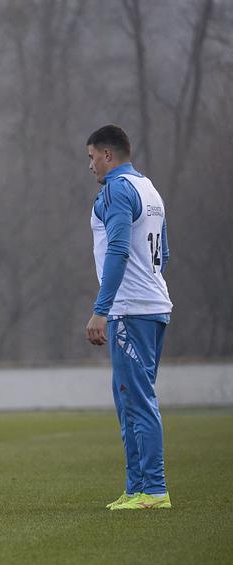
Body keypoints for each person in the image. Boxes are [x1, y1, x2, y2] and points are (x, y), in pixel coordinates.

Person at [85, 124, 173, 510]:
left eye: (91, 157)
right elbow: (163, 253)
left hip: (130, 309)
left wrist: (101, 310)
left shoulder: (118, 190)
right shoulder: (148, 188)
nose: (89, 166)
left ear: (107, 155)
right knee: (131, 401)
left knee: (137, 402)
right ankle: (136, 489)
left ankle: (152, 490)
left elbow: (118, 249)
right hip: (153, 306)